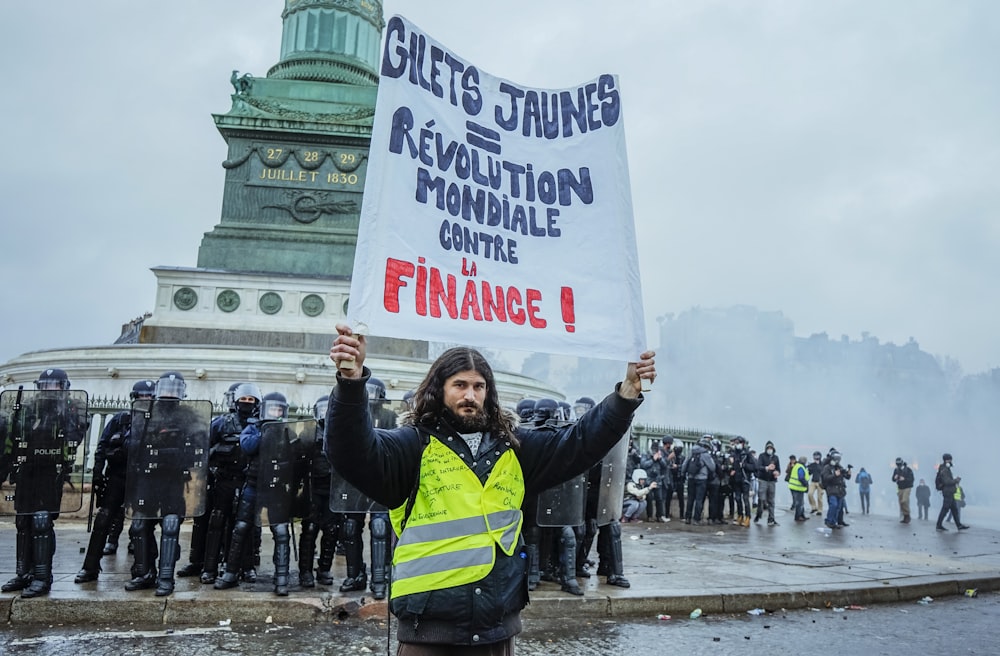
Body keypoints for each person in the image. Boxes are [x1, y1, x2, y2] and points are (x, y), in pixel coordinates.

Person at [325, 323, 655, 653]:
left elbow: (579, 443)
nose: (470, 395)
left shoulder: (515, 449)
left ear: (489, 392)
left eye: (479, 386)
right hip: (428, 633)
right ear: (439, 390)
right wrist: (351, 384)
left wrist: (626, 394)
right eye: (460, 385)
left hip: (497, 630)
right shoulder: (411, 445)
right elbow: (351, 451)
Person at [1, 368, 88, 598]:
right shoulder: (28, 407)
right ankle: (23, 573)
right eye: (45, 385)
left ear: (63, 388)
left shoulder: (71, 409)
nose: (49, 390)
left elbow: (73, 438)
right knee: (23, 521)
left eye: (54, 385)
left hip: (51, 472)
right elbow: (14, 438)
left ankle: (42, 576)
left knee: (41, 521)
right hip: (27, 471)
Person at [124, 371, 209, 596]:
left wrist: (179, 447)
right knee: (140, 525)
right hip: (147, 477)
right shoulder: (145, 412)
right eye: (167, 389)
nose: (170, 394)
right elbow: (131, 443)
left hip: (173, 478)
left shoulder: (188, 415)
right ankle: (144, 573)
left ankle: (165, 578)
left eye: (175, 389)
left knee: (170, 526)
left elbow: (201, 445)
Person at [178, 382, 261, 584]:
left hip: (247, 482)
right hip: (223, 480)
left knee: (245, 526)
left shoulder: (259, 424)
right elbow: (203, 448)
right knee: (216, 523)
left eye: (251, 400)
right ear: (236, 401)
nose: (247, 403)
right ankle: (209, 568)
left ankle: (246, 567)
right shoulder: (221, 423)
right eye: (243, 399)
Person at [75, 379, 155, 583]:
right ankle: (90, 567)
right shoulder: (121, 420)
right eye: (140, 397)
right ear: (133, 399)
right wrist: (97, 473)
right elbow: (102, 446)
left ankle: (142, 569)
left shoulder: (157, 422)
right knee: (103, 520)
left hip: (144, 478)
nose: (144, 400)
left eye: (148, 397)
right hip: (117, 475)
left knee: (141, 524)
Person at [215, 392, 295, 594]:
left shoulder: (287, 430)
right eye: (272, 408)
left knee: (281, 532)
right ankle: (231, 573)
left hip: (276, 488)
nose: (275, 412)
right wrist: (265, 432)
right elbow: (248, 446)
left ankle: (282, 579)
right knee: (241, 528)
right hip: (253, 485)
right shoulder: (253, 427)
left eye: (279, 409)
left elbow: (297, 454)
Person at [297, 394, 342, 588]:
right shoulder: (309, 431)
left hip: (333, 489)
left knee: (331, 531)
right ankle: (305, 570)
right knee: (310, 530)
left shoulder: (341, 431)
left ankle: (324, 568)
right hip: (313, 488)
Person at [935, 453, 969, 531]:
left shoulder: (945, 468)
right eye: (950, 460)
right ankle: (939, 525)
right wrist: (956, 480)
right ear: (947, 460)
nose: (951, 461)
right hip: (948, 492)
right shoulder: (944, 470)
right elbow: (947, 481)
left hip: (950, 492)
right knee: (945, 509)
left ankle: (959, 525)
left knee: (954, 509)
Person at [754, 440, 781, 526]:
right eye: (768, 448)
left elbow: (779, 469)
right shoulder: (762, 456)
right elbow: (758, 466)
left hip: (772, 481)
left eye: (771, 448)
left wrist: (777, 473)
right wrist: (766, 468)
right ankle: (759, 514)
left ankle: (771, 518)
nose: (770, 449)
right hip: (763, 480)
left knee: (771, 501)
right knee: (761, 499)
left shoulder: (776, 457)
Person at [729, 436, 755, 527]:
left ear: (743, 443)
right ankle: (740, 516)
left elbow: (753, 466)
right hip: (736, 479)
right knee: (737, 498)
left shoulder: (747, 454)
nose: (737, 444)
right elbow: (732, 465)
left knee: (745, 499)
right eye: (736, 443)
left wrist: (744, 465)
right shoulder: (734, 453)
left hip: (745, 479)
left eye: (738, 442)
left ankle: (748, 517)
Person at [821, 451, 849, 529]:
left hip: (840, 490)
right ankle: (829, 521)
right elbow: (826, 478)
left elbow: (846, 477)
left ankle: (834, 522)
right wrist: (834, 475)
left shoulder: (839, 467)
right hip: (832, 489)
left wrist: (848, 473)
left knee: (838, 507)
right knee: (833, 505)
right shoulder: (827, 467)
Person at [891, 457, 914, 523]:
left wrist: (904, 479)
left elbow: (912, 479)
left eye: (899, 464)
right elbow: (893, 479)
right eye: (897, 464)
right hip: (900, 487)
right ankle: (905, 516)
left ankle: (907, 515)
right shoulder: (896, 470)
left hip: (907, 487)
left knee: (904, 500)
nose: (898, 465)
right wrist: (895, 478)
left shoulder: (908, 470)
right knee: (901, 502)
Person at [787, 455, 810, 522]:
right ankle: (798, 516)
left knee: (801, 502)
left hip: (793, 486)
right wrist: (806, 484)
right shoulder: (801, 467)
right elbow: (801, 478)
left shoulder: (796, 466)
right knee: (799, 503)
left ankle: (802, 515)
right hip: (798, 487)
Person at [806, 451, 824, 516]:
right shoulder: (812, 464)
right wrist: (809, 469)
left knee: (820, 497)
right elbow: (809, 473)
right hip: (813, 481)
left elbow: (822, 471)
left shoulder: (823, 464)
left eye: (817, 456)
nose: (816, 457)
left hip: (820, 482)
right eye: (815, 456)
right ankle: (814, 507)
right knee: (810, 494)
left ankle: (820, 510)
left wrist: (817, 465)